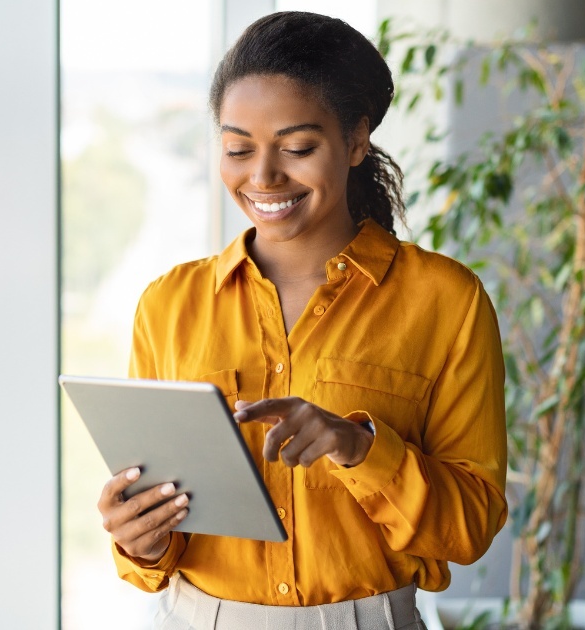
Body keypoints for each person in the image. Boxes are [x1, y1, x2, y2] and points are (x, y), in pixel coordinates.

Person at [96, 11, 507, 630]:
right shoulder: (168, 304)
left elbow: (471, 526)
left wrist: (357, 447)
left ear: (357, 140)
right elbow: (159, 532)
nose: (262, 176)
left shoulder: (446, 301)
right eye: (238, 148)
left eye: (297, 148)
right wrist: (140, 540)